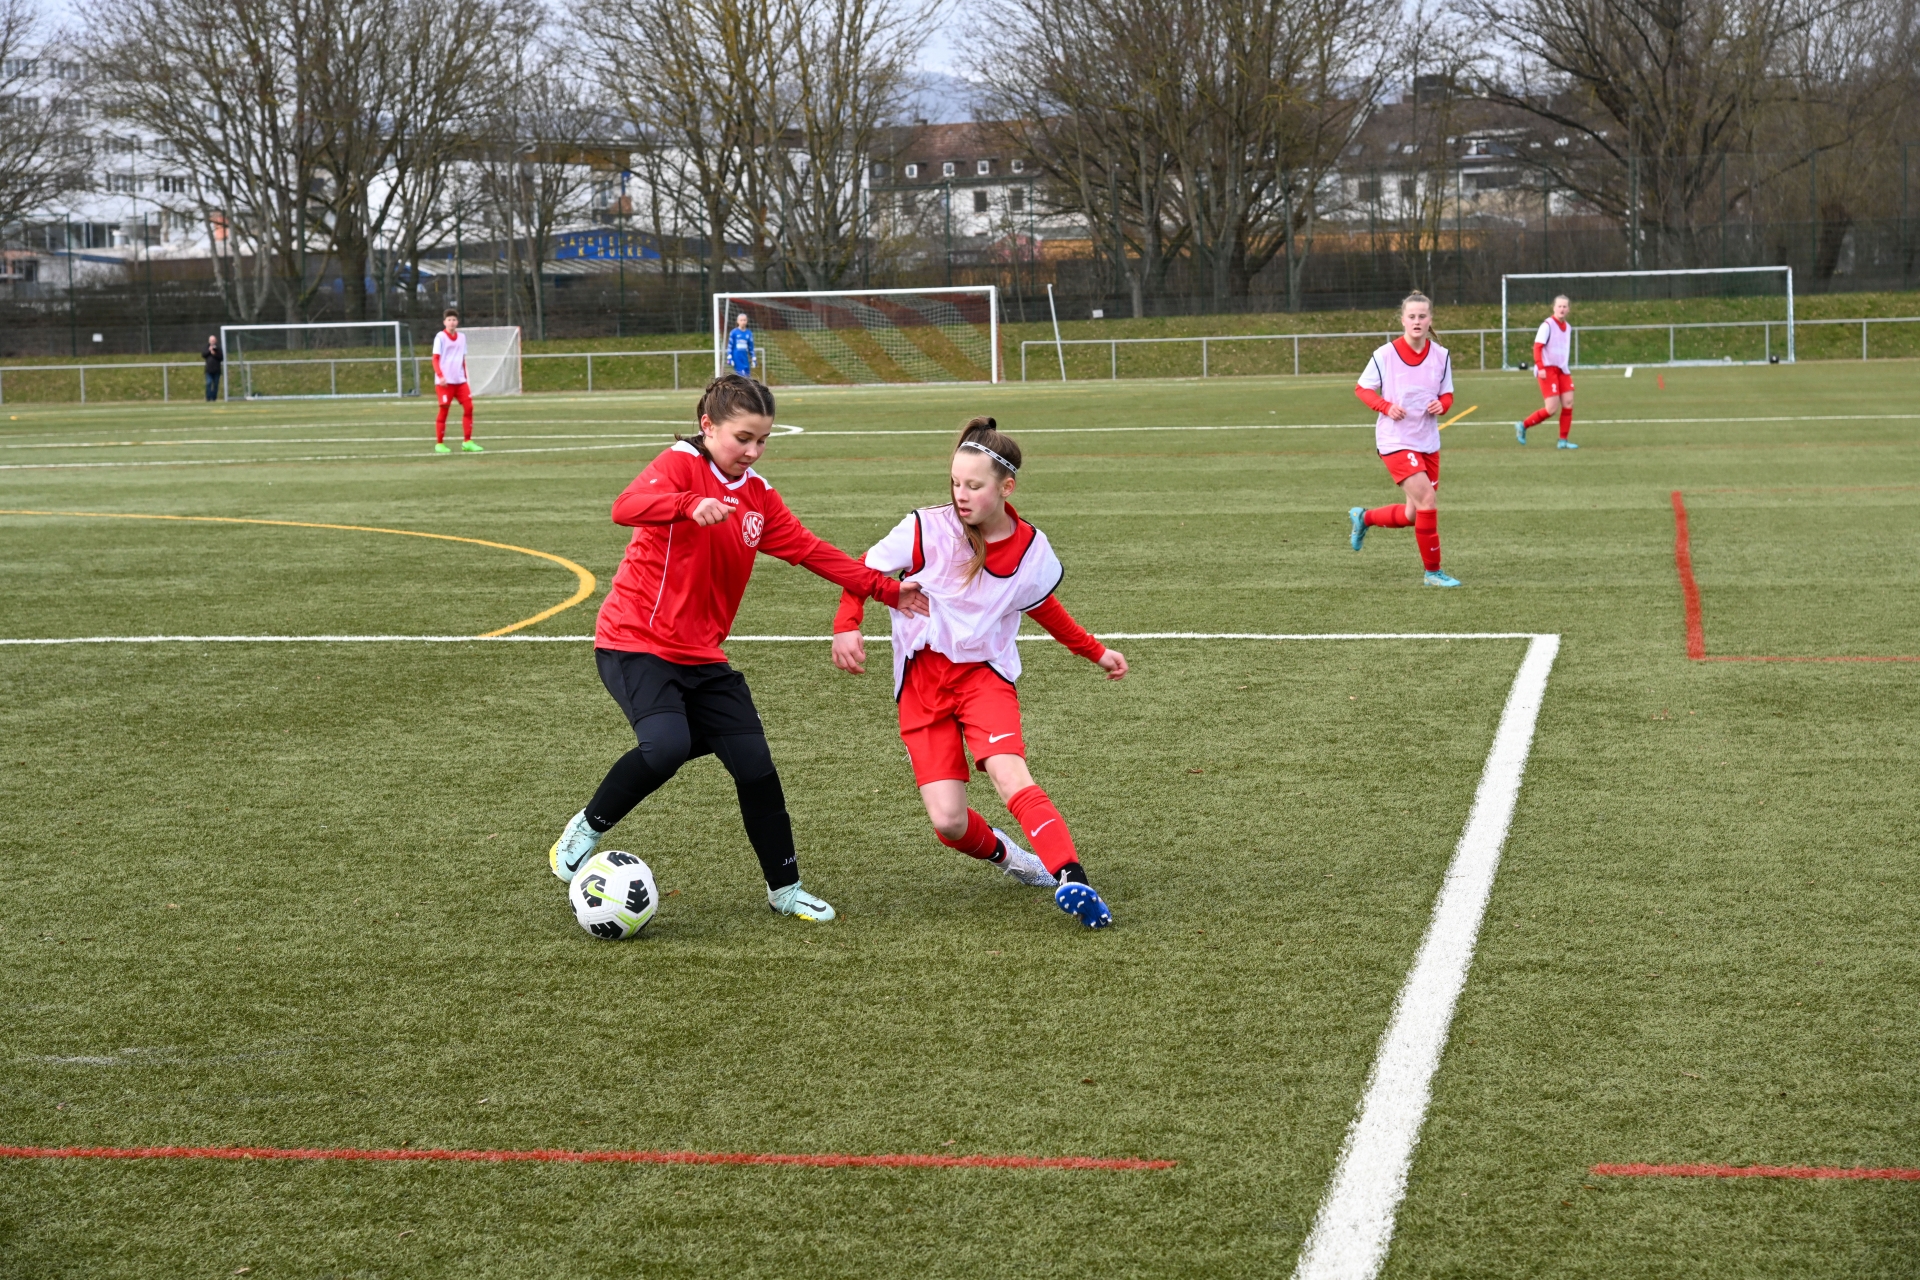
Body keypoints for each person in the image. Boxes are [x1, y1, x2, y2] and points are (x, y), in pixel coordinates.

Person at [545, 374, 930, 924]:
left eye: (762, 440)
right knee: (666, 747)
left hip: (703, 655)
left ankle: (785, 890)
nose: (752, 451)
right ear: (708, 426)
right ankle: (585, 828)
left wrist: (886, 589)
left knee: (754, 766)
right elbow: (625, 506)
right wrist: (687, 505)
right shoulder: (682, 463)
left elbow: (809, 549)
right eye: (742, 438)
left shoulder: (758, 496)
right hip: (635, 640)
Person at [831, 418, 1129, 930]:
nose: (960, 495)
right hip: (921, 681)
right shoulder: (927, 528)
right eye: (955, 482)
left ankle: (1071, 876)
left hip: (983, 677)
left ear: (1006, 487)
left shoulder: (1032, 549)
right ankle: (1013, 859)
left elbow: (1043, 607)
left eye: (974, 485)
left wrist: (1094, 651)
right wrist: (846, 624)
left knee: (1009, 773)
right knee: (949, 822)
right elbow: (862, 570)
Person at [1346, 292, 1461, 588]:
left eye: (1422, 316)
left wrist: (1442, 405)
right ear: (1403, 320)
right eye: (1412, 316)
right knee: (1427, 501)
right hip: (1395, 440)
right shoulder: (1385, 354)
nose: (1417, 321)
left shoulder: (1441, 355)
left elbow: (1447, 393)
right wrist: (1385, 406)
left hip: (1427, 441)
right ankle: (1433, 573)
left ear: (1430, 319)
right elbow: (1362, 388)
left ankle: (1364, 518)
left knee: (1413, 513)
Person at [1516, 294, 1578, 448]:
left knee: (1568, 402)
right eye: (1559, 306)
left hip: (1562, 370)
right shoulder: (1547, 325)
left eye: (1565, 306)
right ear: (1554, 308)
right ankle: (1523, 425)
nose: (1562, 309)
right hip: (1547, 369)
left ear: (1568, 309)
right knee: (1551, 408)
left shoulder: (1568, 327)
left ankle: (1563, 441)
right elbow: (1537, 347)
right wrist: (1540, 367)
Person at [432, 309, 481, 454]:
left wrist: (465, 377)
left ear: (457, 322)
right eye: (449, 320)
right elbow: (435, 359)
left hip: (460, 381)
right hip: (445, 382)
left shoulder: (462, 337)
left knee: (469, 408)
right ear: (444, 322)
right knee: (444, 410)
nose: (452, 322)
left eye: (454, 319)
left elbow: (462, 359)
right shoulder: (440, 337)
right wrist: (440, 376)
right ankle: (439, 444)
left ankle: (467, 442)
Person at [727, 312, 755, 378]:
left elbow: (751, 347)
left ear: (747, 321)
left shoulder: (749, 333)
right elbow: (730, 346)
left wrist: (754, 358)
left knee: (747, 376)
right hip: (737, 357)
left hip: (745, 357)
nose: (743, 322)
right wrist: (729, 357)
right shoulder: (734, 332)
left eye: (744, 320)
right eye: (741, 320)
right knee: (741, 376)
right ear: (738, 321)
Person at [202, 336, 223, 402]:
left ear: (216, 341)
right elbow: (203, 355)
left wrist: (214, 354)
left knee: (215, 384)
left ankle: (214, 398)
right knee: (209, 383)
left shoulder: (218, 348)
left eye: (213, 340)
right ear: (209, 341)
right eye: (211, 340)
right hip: (209, 370)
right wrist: (209, 350)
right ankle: (208, 398)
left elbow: (221, 357)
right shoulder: (206, 347)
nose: (212, 342)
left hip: (216, 370)